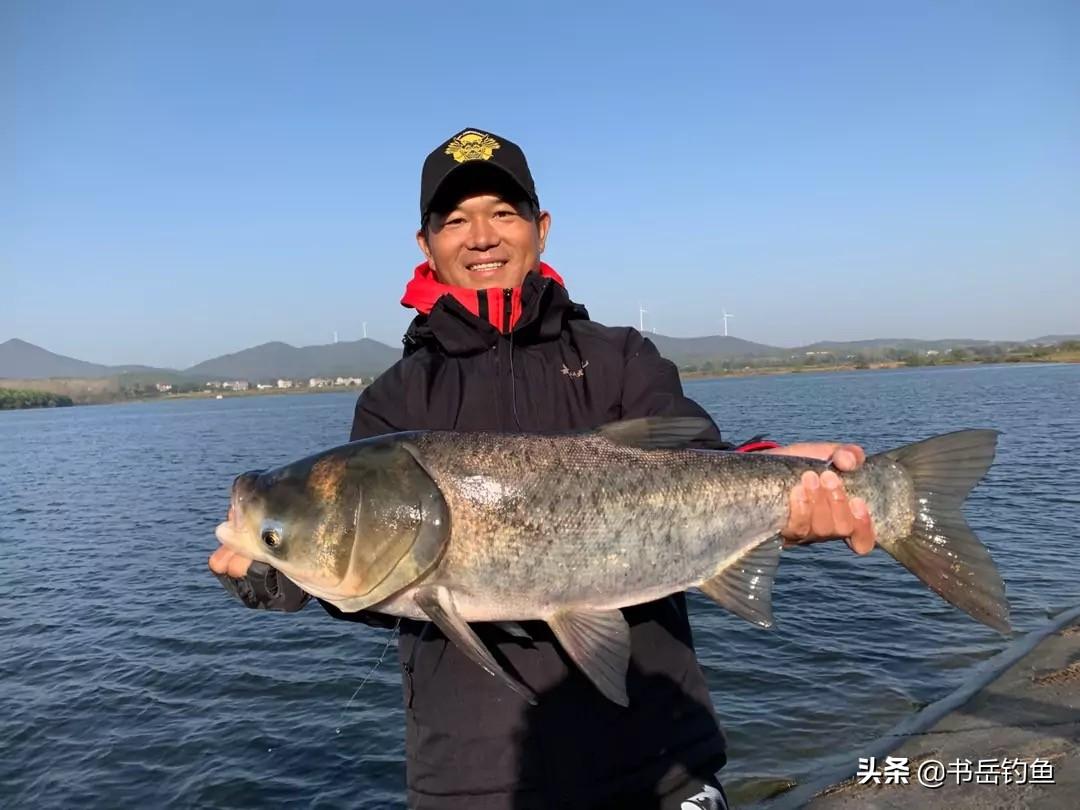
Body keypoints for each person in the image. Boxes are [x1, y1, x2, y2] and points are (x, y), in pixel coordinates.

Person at [209, 128, 876, 810]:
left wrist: (786, 476)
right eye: (456, 220)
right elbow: (376, 580)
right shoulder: (392, 402)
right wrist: (275, 574)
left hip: (661, 757)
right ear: (425, 244)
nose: (482, 237)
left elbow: (709, 463)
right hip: (476, 780)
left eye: (503, 213)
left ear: (541, 228)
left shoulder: (621, 358)